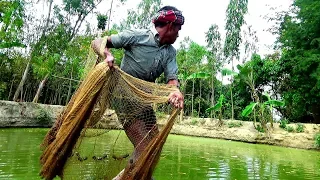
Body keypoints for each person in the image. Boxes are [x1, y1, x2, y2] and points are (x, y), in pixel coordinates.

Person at [92, 5, 184, 179]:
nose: (179, 34)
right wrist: (107, 55)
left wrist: (176, 91)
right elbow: (98, 42)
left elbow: (172, 80)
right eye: (178, 29)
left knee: (154, 147)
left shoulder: (170, 52)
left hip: (143, 101)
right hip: (123, 98)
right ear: (170, 26)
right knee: (144, 148)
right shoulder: (137, 36)